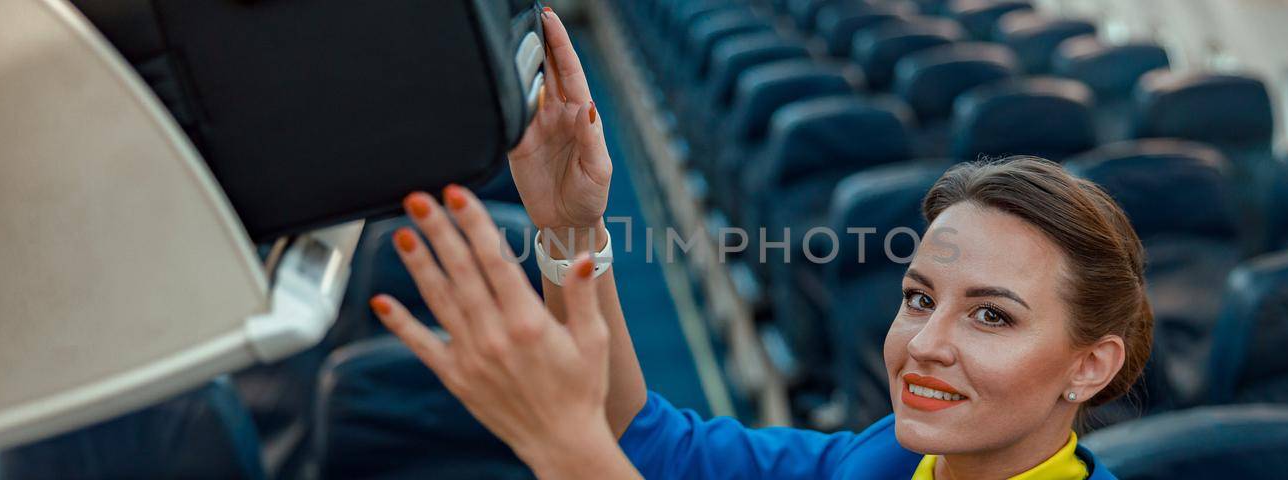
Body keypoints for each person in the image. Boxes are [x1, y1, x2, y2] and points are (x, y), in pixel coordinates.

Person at [365, 7, 1149, 479]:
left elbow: (601, 446)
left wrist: (564, 447)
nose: (925, 346)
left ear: (1090, 364)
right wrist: (570, 227)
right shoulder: (900, 458)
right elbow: (649, 444)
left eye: (993, 317)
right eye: (919, 300)